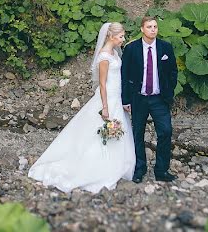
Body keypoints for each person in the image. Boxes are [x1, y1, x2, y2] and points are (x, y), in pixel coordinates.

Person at [27, 22, 135, 192]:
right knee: (100, 131)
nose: (123, 39)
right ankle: (97, 167)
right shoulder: (105, 56)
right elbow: (102, 83)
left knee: (119, 130)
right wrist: (105, 107)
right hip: (107, 98)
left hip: (117, 96)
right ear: (111, 36)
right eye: (121, 36)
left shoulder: (114, 53)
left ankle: (117, 165)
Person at [121, 16, 178, 183]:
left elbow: (173, 71)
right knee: (137, 133)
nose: (153, 29)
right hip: (138, 98)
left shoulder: (165, 47)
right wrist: (126, 99)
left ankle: (161, 170)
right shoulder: (131, 48)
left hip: (159, 98)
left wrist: (169, 90)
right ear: (142, 29)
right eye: (149, 27)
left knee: (166, 131)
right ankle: (139, 169)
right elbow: (125, 75)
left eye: (155, 26)